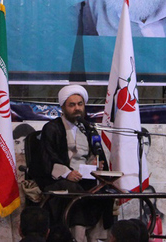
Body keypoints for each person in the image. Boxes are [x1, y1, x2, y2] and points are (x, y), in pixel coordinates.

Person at [38, 84, 110, 242]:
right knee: (75, 191)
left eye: (80, 104)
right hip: (60, 179)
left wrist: (97, 165)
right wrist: (67, 173)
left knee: (105, 192)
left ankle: (97, 238)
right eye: (72, 105)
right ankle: (78, 237)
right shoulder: (52, 128)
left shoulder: (88, 128)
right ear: (63, 107)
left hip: (85, 178)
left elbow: (95, 155)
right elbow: (47, 157)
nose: (77, 108)